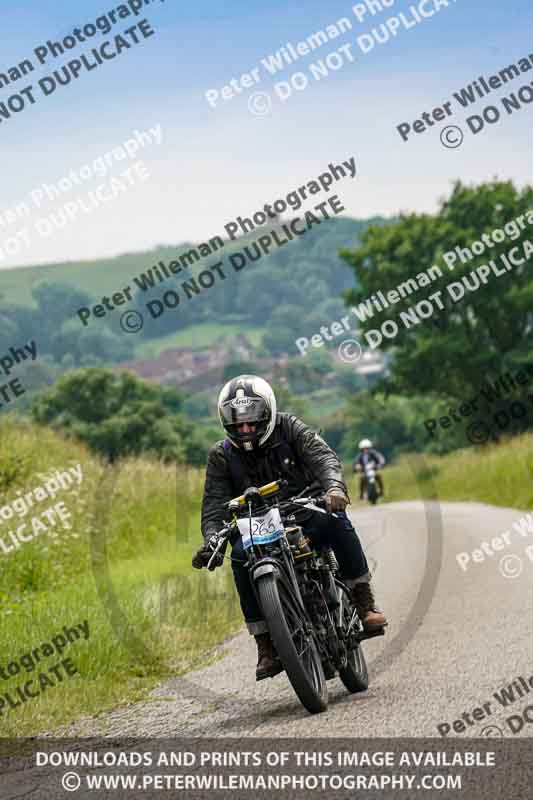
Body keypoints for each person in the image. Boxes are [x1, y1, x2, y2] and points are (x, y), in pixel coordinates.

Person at [192, 375, 387, 681]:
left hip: (305, 507)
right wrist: (212, 540)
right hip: (256, 523)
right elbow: (214, 505)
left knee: (337, 522)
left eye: (251, 420)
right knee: (241, 557)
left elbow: (323, 458)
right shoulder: (221, 455)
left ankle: (364, 602)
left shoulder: (290, 428)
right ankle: (266, 644)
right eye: (237, 422)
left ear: (268, 413)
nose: (244, 428)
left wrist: (334, 488)